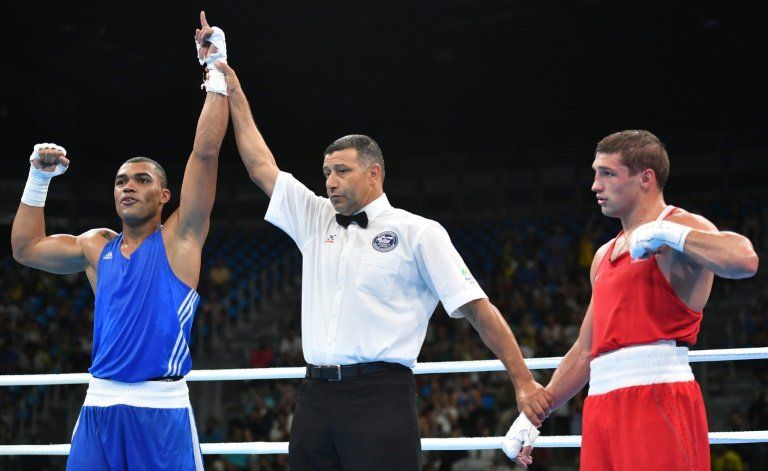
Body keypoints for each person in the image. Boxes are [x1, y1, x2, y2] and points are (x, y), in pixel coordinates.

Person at [214, 61, 554, 470]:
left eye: (342, 171)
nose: (330, 181)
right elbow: (260, 166)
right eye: (326, 173)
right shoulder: (316, 216)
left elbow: (478, 309)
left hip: (380, 397)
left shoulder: (418, 232)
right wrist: (231, 88)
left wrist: (521, 380)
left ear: (373, 173)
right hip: (314, 396)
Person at [10, 12, 229, 470]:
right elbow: (26, 250)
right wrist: (37, 178)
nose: (127, 186)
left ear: (164, 195)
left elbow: (205, 153)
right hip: (99, 404)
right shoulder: (95, 247)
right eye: (120, 180)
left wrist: (216, 68)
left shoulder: (179, 240)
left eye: (141, 179)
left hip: (162, 408)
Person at [506, 130, 759, 470]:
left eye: (607, 173)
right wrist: (536, 413)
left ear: (646, 178)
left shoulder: (679, 226)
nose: (596, 185)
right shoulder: (603, 255)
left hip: (658, 396)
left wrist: (668, 234)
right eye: (596, 173)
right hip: (600, 406)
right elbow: (586, 349)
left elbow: (745, 260)